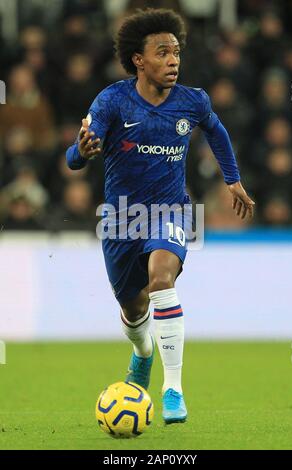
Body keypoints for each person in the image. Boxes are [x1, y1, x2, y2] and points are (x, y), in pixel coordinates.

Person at [66, 8, 255, 424]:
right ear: (139, 59)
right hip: (120, 218)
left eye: (176, 52)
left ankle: (173, 390)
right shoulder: (113, 100)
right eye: (163, 52)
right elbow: (75, 156)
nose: (174, 61)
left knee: (162, 280)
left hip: (171, 209)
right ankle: (143, 352)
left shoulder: (193, 101)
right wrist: (82, 150)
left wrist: (232, 179)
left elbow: (217, 130)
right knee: (134, 311)